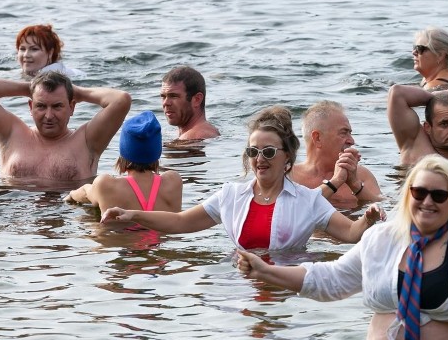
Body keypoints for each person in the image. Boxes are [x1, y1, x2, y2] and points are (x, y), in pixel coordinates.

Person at [237, 155, 448, 340]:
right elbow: (331, 279)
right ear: (408, 196)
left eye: (439, 195)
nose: (427, 201)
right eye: (419, 192)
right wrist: (266, 270)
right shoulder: (381, 239)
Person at [101, 106, 383, 250]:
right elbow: (180, 222)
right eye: (253, 151)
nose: (260, 159)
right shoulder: (231, 195)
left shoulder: (308, 201)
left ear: (287, 156)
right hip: (241, 283)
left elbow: (349, 234)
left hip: (289, 286)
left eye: (269, 151)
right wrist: (131, 215)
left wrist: (368, 219)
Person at [0, 70, 132, 182]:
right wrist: (30, 88)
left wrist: (77, 92)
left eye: (57, 106)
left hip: (68, 221)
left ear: (71, 107)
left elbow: (120, 100)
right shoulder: (11, 133)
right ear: (30, 107)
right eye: (41, 106)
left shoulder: (87, 141)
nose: (49, 116)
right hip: (16, 223)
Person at [65, 111, 183, 213]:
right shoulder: (173, 182)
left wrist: (71, 195)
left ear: (124, 153)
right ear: (156, 152)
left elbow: (85, 192)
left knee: (88, 221)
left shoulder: (107, 185)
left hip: (120, 237)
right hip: (161, 237)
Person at [291, 100, 382, 205]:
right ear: (318, 138)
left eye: (350, 133)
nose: (351, 141)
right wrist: (337, 181)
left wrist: (355, 184)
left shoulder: (361, 175)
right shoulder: (289, 177)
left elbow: (386, 211)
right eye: (343, 133)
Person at [159, 65, 220, 141]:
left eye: (174, 96)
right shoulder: (207, 130)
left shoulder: (193, 137)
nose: (166, 103)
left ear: (197, 100)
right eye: (163, 97)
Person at [15, 24, 85, 79]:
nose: (26, 55)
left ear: (50, 53)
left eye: (34, 49)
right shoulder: (22, 73)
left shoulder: (54, 78)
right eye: (22, 49)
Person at [412, 27, 448, 91]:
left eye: (420, 49)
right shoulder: (429, 79)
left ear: (440, 55)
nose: (414, 52)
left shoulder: (434, 87)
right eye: (415, 47)